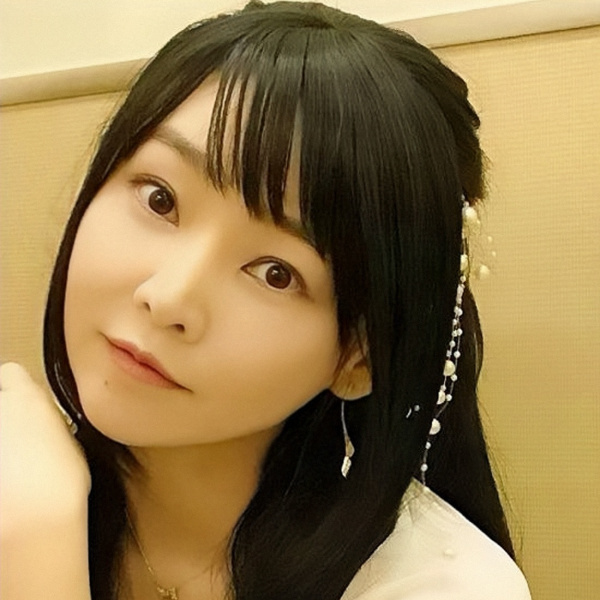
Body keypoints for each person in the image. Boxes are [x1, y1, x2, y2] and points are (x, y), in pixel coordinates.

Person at [0, 1, 532, 599]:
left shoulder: (439, 585)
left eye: (276, 273)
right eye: (159, 199)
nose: (167, 297)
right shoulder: (18, 477)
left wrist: (39, 552)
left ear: (358, 356)